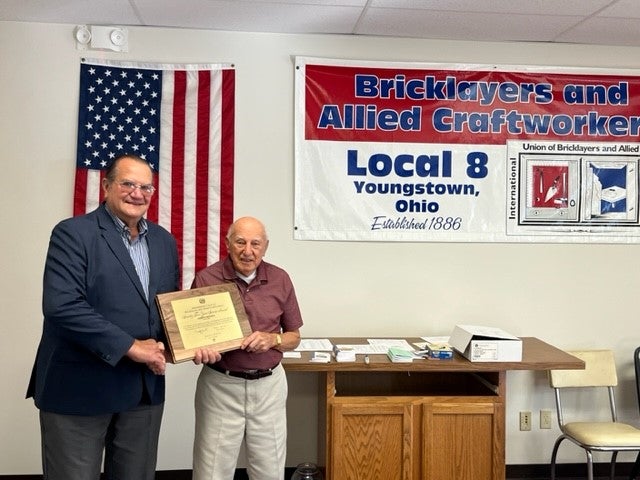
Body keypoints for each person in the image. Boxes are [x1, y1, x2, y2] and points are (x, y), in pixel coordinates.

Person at [26, 154, 180, 480]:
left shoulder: (164, 242)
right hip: (80, 387)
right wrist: (133, 347)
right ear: (106, 185)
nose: (137, 193)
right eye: (128, 184)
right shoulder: (73, 233)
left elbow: (167, 309)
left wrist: (189, 344)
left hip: (143, 390)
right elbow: (62, 307)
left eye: (146, 187)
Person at [191, 216, 303, 480]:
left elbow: (294, 337)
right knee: (211, 472)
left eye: (255, 243)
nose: (247, 251)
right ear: (228, 244)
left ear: (265, 247)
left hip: (269, 388)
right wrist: (201, 350)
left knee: (270, 471)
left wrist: (272, 339)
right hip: (220, 387)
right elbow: (193, 339)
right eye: (240, 242)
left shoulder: (280, 278)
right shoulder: (207, 279)